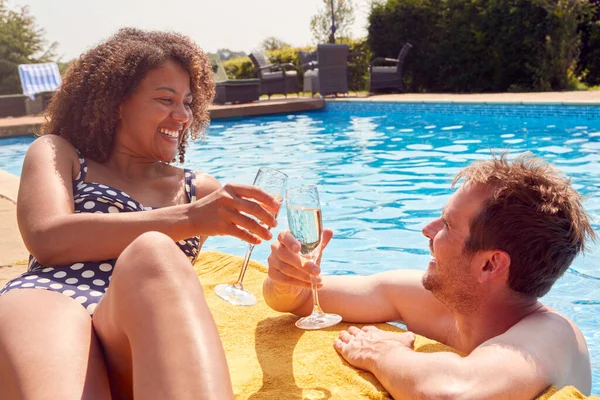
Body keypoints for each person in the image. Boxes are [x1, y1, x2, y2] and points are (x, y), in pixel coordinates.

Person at [0, 28, 280, 399]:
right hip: (52, 297)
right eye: (166, 99)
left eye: (187, 102)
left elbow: (263, 283)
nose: (181, 115)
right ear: (117, 102)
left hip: (134, 328)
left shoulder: (199, 190)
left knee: (154, 254)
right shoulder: (59, 153)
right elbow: (47, 237)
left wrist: (290, 270)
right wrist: (188, 219)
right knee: (153, 247)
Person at [264, 154, 596, 398]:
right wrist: (287, 279)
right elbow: (303, 299)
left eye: (447, 226)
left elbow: (450, 393)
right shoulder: (444, 299)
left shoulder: (552, 336)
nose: (428, 231)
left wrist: (384, 354)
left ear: (490, 265)